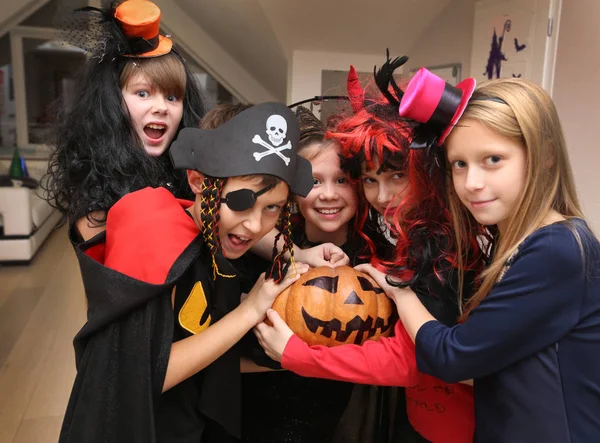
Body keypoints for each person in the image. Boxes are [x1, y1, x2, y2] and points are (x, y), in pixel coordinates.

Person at [255, 60, 486, 443]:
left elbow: (410, 359)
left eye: (398, 176)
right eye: (371, 180)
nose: (383, 197)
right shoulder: (405, 247)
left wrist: (298, 354)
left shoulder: (445, 250)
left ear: (426, 171)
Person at [360, 77, 600, 442]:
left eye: (493, 160)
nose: (471, 182)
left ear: (546, 155)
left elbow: (453, 358)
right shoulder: (517, 241)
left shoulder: (556, 251)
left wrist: (400, 293)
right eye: (459, 164)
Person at [58, 102, 314, 443]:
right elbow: (145, 374)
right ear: (197, 180)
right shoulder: (158, 237)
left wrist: (298, 354)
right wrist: (249, 309)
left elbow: (207, 349)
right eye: (240, 202)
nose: (255, 225)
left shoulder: (213, 245)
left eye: (272, 208)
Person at [239, 106, 368, 443]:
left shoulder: (374, 259)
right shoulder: (265, 245)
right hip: (255, 417)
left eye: (341, 180)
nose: (327, 194)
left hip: (335, 424)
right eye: (312, 181)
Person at [44, 0, 206, 241]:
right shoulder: (94, 191)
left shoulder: (186, 171)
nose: (161, 107)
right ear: (113, 102)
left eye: (172, 97)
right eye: (143, 93)